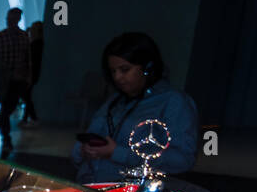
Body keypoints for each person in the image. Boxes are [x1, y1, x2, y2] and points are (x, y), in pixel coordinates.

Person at [71, 31, 198, 183]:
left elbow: (182, 160)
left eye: (125, 70)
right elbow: (88, 138)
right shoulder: (115, 101)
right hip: (89, 186)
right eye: (113, 71)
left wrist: (117, 153)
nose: (117, 77)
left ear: (147, 68)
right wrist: (83, 150)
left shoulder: (174, 102)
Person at [0, 7, 29, 153]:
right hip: (8, 79)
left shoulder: (4, 37)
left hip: (11, 78)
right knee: (7, 109)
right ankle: (5, 139)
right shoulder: (20, 36)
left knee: (7, 108)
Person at [22, 21, 44, 123]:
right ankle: (28, 117)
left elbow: (32, 62)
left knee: (26, 96)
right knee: (27, 96)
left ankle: (31, 117)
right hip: (33, 74)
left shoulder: (35, 45)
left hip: (31, 74)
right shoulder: (39, 44)